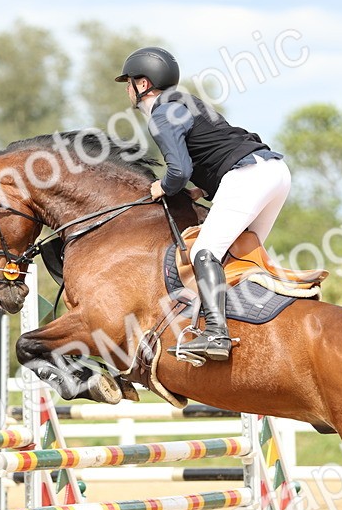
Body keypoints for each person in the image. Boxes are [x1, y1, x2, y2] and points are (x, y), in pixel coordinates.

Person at [115, 46, 292, 362]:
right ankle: (262, 330)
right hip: (274, 172)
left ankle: (216, 335)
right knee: (240, 256)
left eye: (128, 82)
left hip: (249, 176)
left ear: (142, 84)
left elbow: (178, 171)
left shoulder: (161, 114)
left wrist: (163, 187)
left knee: (204, 252)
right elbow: (217, 145)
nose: (127, 89)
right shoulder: (188, 102)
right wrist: (204, 188)